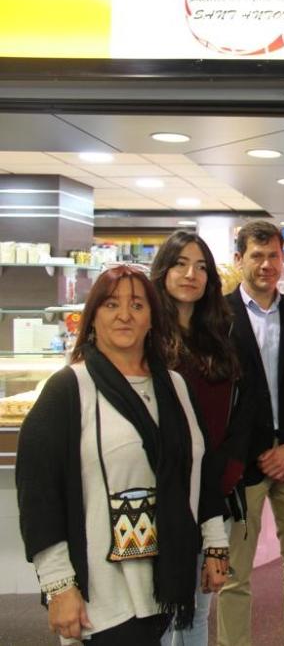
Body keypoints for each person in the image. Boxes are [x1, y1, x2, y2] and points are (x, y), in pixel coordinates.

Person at [16, 266, 230, 645]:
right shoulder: (69, 389)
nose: (124, 315)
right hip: (101, 593)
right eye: (111, 304)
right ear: (94, 315)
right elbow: (39, 496)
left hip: (164, 579)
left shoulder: (175, 386)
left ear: (153, 318)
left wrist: (215, 543)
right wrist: (58, 585)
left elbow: (201, 467)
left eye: (137, 304)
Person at [216, 221, 284, 646]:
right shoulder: (219, 317)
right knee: (233, 572)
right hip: (242, 464)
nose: (266, 264)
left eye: (274, 256)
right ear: (239, 259)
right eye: (257, 256)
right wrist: (260, 450)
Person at [150, 231, 249, 646]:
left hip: (211, 491)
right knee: (155, 608)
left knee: (199, 604)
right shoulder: (145, 336)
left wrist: (230, 468)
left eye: (201, 266)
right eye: (180, 264)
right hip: (156, 490)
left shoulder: (221, 335)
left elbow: (243, 409)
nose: (191, 274)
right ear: (163, 271)